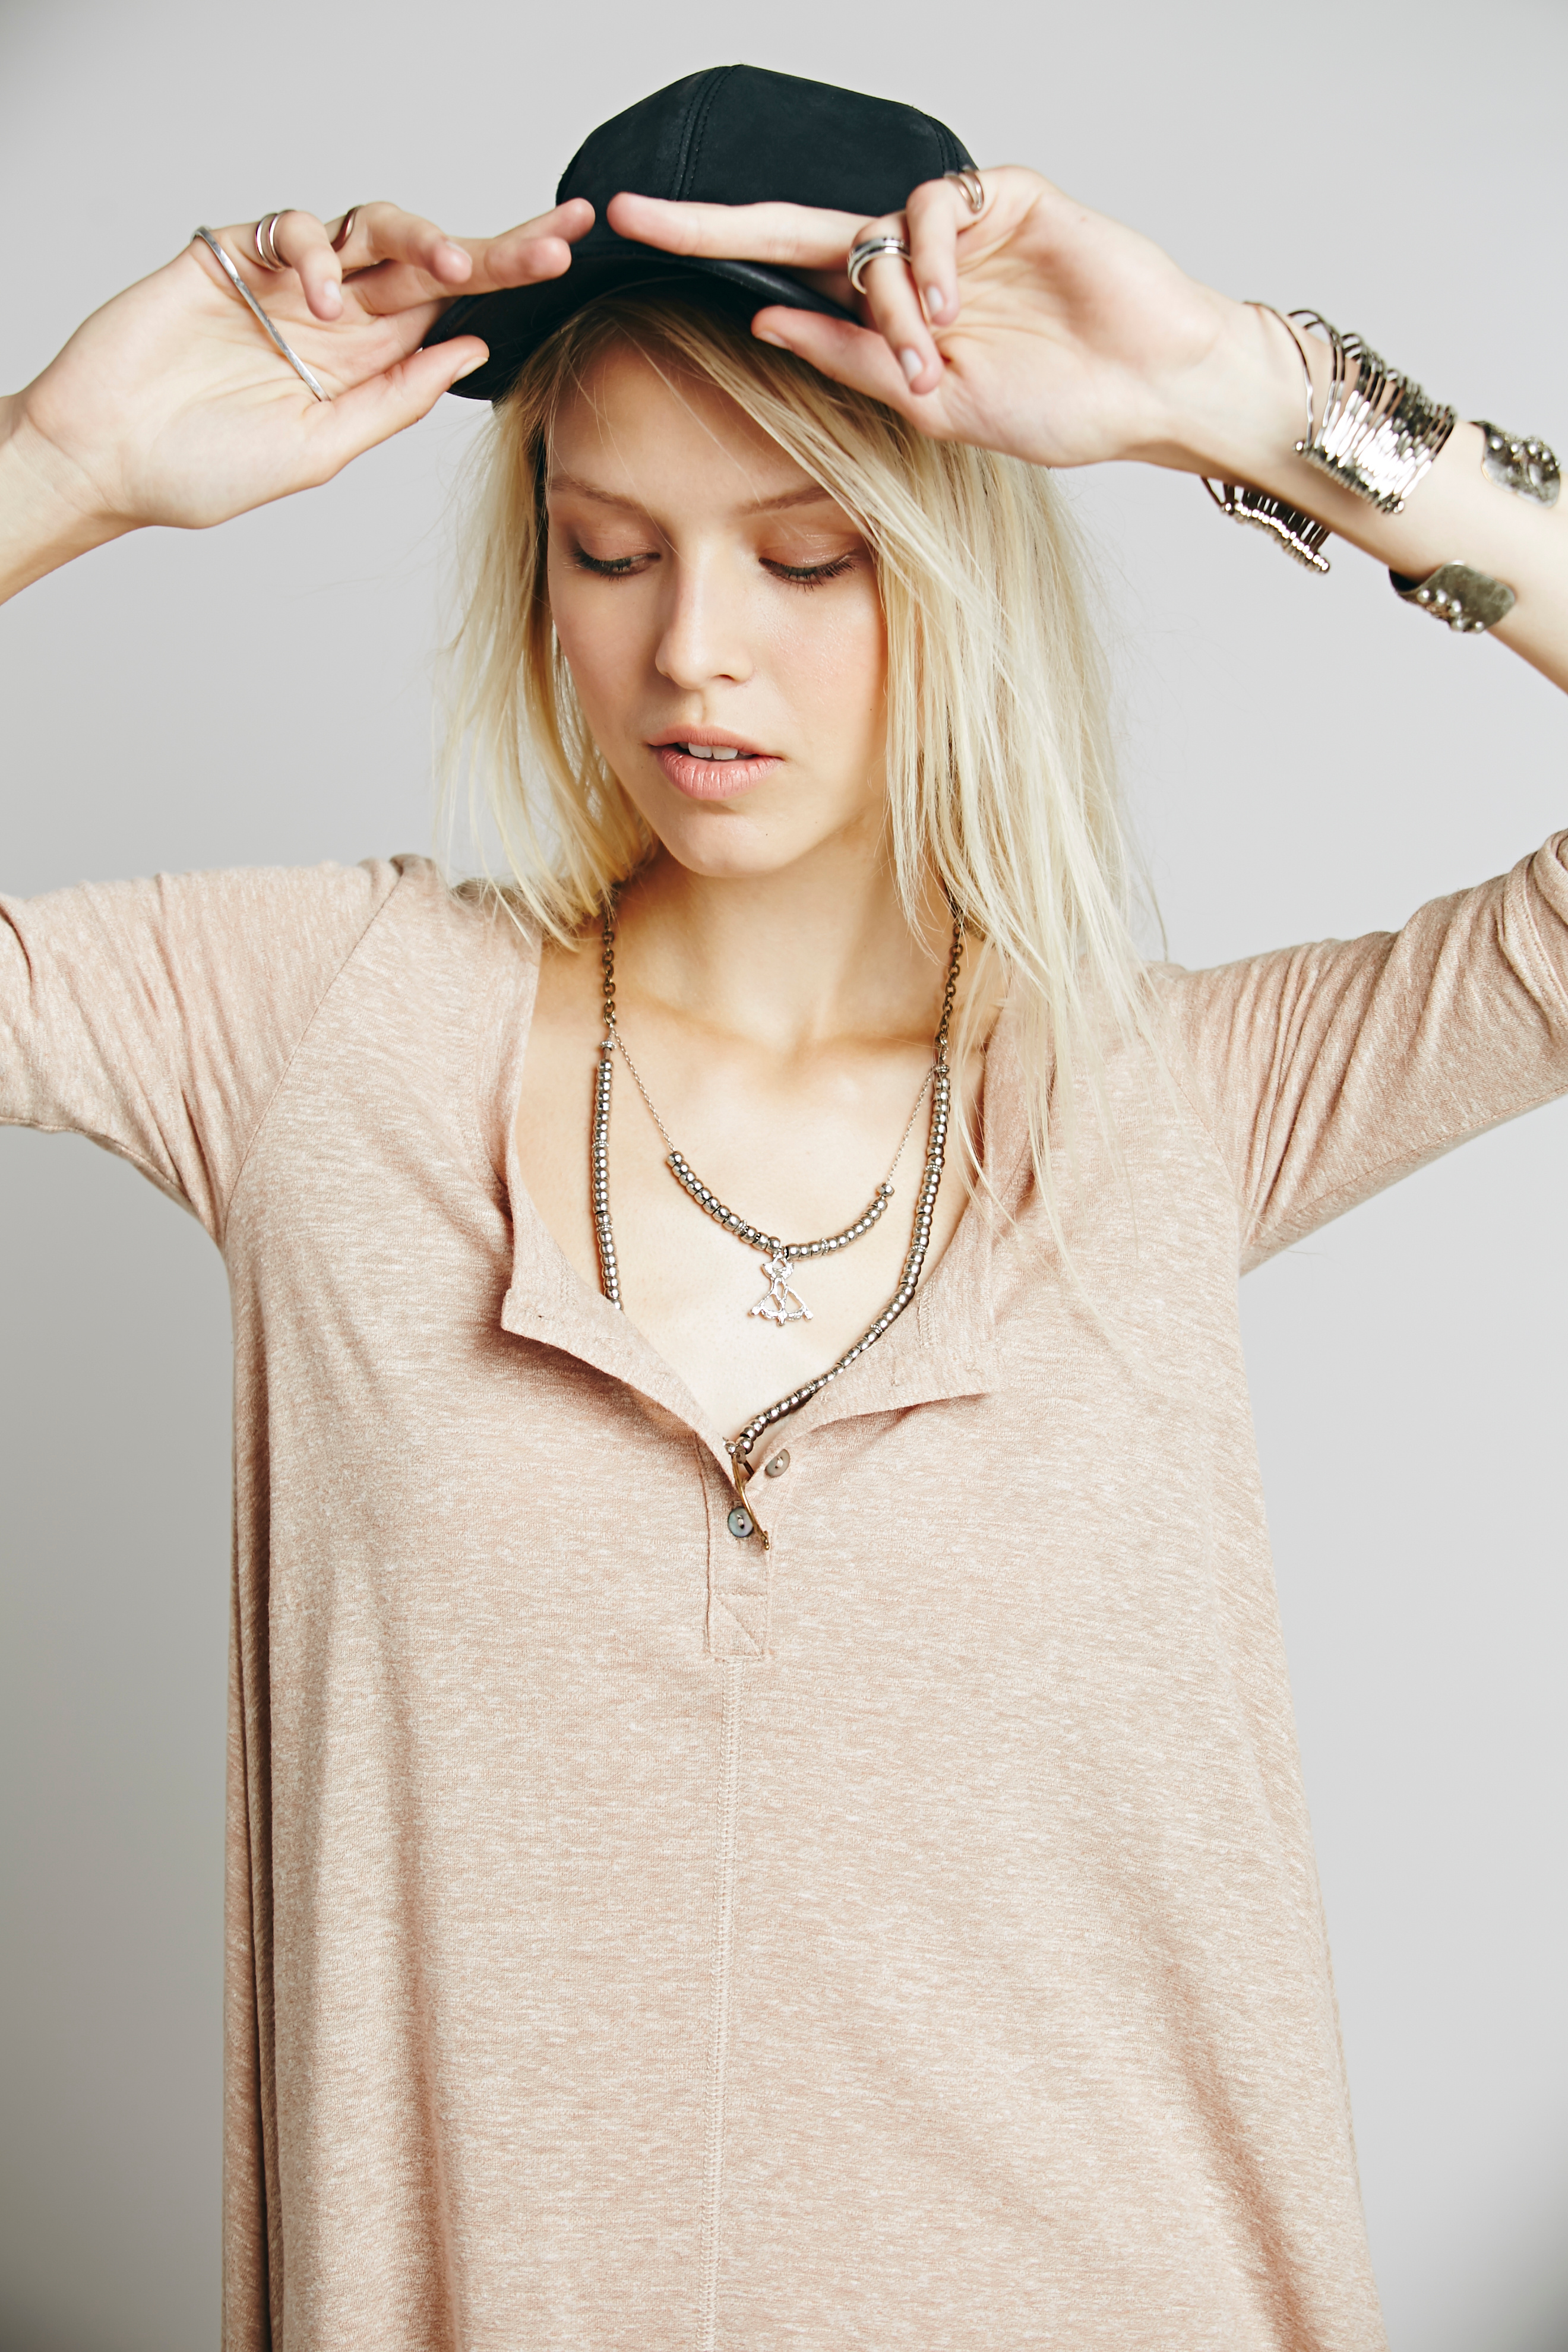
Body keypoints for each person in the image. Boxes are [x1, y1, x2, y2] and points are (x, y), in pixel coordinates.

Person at [2, 59, 1564, 2352]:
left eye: (804, 556)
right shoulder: (314, 1032)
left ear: (943, 560)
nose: (691, 650)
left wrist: (1248, 399)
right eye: (610, 550)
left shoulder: (1165, 1104)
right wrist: (56, 467)